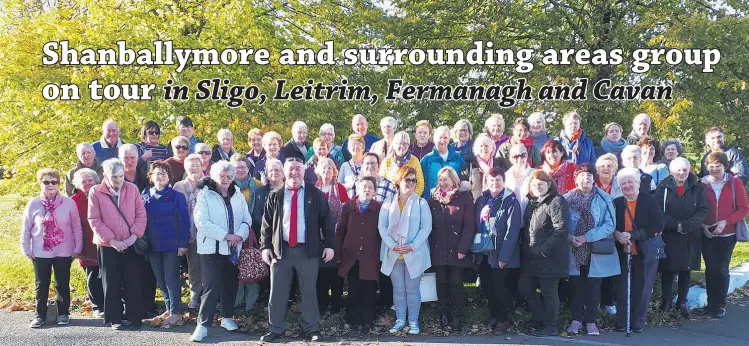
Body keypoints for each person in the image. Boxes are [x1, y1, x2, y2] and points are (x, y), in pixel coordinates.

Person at [259, 158, 335, 343]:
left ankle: (312, 329)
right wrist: (265, 247)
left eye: (298, 169)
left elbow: (327, 222)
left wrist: (330, 246)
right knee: (277, 292)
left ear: (304, 172)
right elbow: (266, 224)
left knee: (309, 292)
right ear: (285, 172)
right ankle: (275, 329)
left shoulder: (314, 194)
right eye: (291, 169)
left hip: (307, 252)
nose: (294, 173)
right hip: (280, 251)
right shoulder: (276, 195)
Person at [189, 161, 251, 342]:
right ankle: (203, 325)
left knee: (230, 283)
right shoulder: (205, 195)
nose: (225, 179)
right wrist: (226, 236)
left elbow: (246, 220)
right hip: (212, 248)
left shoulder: (238, 194)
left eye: (229, 176)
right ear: (213, 176)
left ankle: (227, 317)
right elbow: (201, 223)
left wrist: (239, 236)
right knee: (211, 286)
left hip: (233, 248)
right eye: (221, 176)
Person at [88, 159, 147, 330]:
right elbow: (94, 219)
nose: (119, 181)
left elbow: (141, 214)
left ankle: (135, 317)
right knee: (110, 282)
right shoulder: (96, 191)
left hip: (130, 242)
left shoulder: (132, 188)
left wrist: (133, 237)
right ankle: (115, 319)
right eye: (114, 177)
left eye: (121, 176)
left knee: (133, 281)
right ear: (105, 175)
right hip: (107, 245)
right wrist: (111, 240)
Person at [21, 168, 82, 328]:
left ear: (58, 184)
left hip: (64, 251)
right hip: (40, 252)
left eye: (53, 182)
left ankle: (63, 314)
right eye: (46, 182)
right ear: (40, 184)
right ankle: (39, 315)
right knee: (41, 284)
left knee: (62, 283)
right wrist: (26, 248)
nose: (50, 185)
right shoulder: (33, 203)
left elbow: (76, 227)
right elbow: (26, 228)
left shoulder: (69, 203)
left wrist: (78, 247)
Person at [564, 164, 619, 336]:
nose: (586, 179)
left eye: (589, 175)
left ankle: (591, 321)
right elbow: (559, 223)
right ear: (575, 178)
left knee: (594, 287)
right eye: (582, 175)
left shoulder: (604, 198)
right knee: (576, 287)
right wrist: (570, 237)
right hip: (573, 248)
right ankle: (576, 320)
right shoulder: (566, 198)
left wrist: (587, 237)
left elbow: (610, 224)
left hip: (595, 248)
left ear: (594, 179)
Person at [379, 166, 432, 335]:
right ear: (399, 181)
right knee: (398, 289)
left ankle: (414, 321)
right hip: (394, 252)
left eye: (413, 180)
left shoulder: (421, 202)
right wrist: (392, 244)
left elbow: (426, 227)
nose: (410, 183)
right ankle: (400, 319)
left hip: (413, 253)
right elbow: (382, 226)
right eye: (406, 179)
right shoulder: (388, 202)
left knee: (412, 289)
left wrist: (412, 246)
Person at [612, 167, 664, 333]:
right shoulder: (617, 203)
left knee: (642, 288)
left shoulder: (649, 200)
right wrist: (618, 234)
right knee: (622, 289)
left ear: (638, 183)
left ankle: (637, 322)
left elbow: (658, 225)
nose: (627, 186)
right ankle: (622, 321)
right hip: (623, 252)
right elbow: (611, 225)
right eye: (623, 183)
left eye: (630, 182)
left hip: (645, 252)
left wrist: (633, 235)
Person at [654, 158, 708, 317]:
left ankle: (682, 301)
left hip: (690, 234)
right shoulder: (662, 188)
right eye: (678, 170)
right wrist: (675, 225)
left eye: (685, 170)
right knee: (668, 269)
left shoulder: (698, 188)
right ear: (671, 171)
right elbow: (658, 212)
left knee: (686, 268)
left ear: (689, 170)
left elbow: (703, 210)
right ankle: (666, 301)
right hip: (669, 235)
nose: (682, 173)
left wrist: (687, 226)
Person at [519, 170, 570, 336]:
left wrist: (543, 250)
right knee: (525, 287)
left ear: (549, 184)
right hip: (532, 258)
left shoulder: (557, 201)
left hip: (550, 258)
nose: (538, 186)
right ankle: (539, 318)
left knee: (549, 292)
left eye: (541, 183)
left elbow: (561, 230)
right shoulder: (532, 203)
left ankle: (551, 326)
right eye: (534, 184)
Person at [141, 161, 190, 326]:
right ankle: (169, 308)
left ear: (169, 177)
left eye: (164, 173)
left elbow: (184, 221)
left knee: (171, 278)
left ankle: (176, 312)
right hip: (152, 244)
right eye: (157, 173)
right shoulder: (145, 194)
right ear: (151, 177)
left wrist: (183, 243)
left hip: (172, 244)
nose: (160, 176)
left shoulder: (177, 196)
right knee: (160, 279)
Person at [700, 152, 749, 318]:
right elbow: (697, 208)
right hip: (707, 233)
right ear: (707, 167)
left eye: (718, 166)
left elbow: (744, 209)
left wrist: (725, 222)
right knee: (709, 269)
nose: (714, 169)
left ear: (725, 166)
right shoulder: (702, 184)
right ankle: (710, 303)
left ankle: (719, 305)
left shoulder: (735, 183)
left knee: (721, 269)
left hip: (727, 234)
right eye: (711, 166)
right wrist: (703, 226)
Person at [474, 168, 522, 334]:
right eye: (492, 180)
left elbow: (513, 231)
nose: (495, 183)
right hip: (484, 253)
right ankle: (494, 315)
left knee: (501, 288)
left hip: (501, 253)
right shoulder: (482, 199)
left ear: (504, 181)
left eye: (498, 180)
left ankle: (502, 320)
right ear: (486, 181)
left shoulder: (511, 201)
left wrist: (504, 257)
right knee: (487, 287)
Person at [428, 167, 475, 330]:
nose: (443, 183)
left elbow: (470, 226)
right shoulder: (433, 198)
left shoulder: (464, 198)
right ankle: (443, 315)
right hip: (438, 248)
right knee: (441, 284)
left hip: (458, 250)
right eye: (440, 180)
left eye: (446, 179)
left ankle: (456, 316)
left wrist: (463, 248)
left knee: (455, 284)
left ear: (454, 181)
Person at [336, 176, 382, 334]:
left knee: (369, 290)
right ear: (357, 188)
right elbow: (340, 231)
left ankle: (368, 321)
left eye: (370, 187)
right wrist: (339, 253)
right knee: (354, 289)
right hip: (351, 256)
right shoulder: (348, 207)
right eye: (364, 187)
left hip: (370, 256)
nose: (367, 190)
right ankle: (353, 320)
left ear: (375, 191)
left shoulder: (379, 208)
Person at [313, 157, 349, 313]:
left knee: (335, 273)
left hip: (336, 236)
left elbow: (346, 211)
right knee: (320, 274)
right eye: (324, 168)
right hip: (317, 238)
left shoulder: (340, 189)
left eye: (330, 169)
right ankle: (321, 305)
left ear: (335, 172)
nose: (327, 171)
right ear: (318, 171)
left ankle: (336, 305)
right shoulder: (313, 189)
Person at [229, 154, 263, 311]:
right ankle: (237, 299)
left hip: (253, 231)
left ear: (248, 168)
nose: (240, 170)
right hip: (232, 232)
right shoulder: (227, 186)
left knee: (250, 263)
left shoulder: (258, 185)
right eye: (236, 167)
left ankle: (251, 302)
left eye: (243, 166)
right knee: (235, 266)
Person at [71, 168, 104, 318]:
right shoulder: (74, 201)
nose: (87, 183)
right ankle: (97, 306)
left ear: (96, 181)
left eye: (90, 180)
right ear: (77, 184)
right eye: (83, 181)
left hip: (104, 240)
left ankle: (113, 304)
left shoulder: (102, 195)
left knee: (109, 274)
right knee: (92, 275)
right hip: (86, 242)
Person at [173, 154, 205, 309]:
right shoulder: (178, 186)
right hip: (188, 231)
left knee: (209, 265)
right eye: (191, 165)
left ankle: (209, 296)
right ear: (185, 167)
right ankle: (195, 295)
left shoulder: (209, 184)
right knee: (193, 266)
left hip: (207, 232)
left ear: (202, 166)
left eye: (197, 165)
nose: (194, 168)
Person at [421, 126, 466, 200]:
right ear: (434, 139)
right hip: (433, 202)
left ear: (449, 139)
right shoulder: (426, 160)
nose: (442, 140)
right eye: (440, 137)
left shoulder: (458, 158)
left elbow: (464, 180)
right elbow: (422, 184)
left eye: (445, 138)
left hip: (455, 202)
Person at [380, 131, 425, 196]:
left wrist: (412, 198)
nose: (402, 146)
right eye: (399, 143)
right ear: (394, 144)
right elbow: (381, 181)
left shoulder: (414, 160)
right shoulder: (387, 161)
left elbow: (420, 184)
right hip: (390, 198)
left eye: (405, 144)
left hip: (410, 199)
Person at [251, 158, 284, 242]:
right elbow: (257, 216)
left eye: (277, 170)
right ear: (266, 174)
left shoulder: (289, 191)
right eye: (271, 170)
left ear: (283, 174)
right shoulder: (259, 192)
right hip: (266, 235)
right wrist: (271, 227)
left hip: (285, 234)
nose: (274, 173)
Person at [467, 134, 502, 200]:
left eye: (486, 145)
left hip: (497, 201)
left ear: (491, 148)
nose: (484, 148)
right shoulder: (470, 164)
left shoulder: (498, 163)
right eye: (481, 146)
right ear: (477, 148)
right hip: (477, 202)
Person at [505, 144, 534, 215]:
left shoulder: (535, 174)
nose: (520, 159)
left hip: (532, 217)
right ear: (511, 158)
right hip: (512, 217)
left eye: (523, 155)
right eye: (516, 156)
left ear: (527, 156)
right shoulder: (505, 176)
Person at [338, 134, 366, 198]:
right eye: (353, 145)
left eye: (358, 144)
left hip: (365, 200)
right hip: (348, 202)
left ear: (363, 147)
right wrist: (351, 185)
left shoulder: (368, 164)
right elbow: (339, 186)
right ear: (348, 148)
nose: (355, 147)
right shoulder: (345, 166)